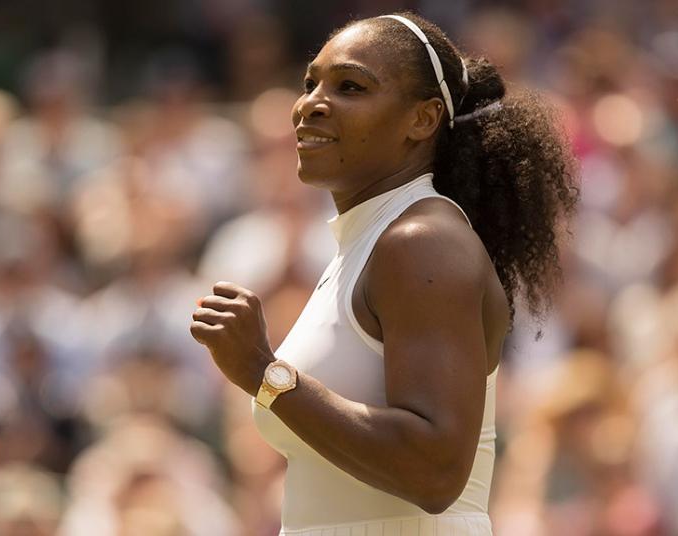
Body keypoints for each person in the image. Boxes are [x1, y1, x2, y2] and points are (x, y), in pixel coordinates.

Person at [190, 11, 578, 535]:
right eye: (310, 83)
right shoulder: (372, 240)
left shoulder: (422, 244)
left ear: (422, 119)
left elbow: (434, 472)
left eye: (349, 86)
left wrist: (264, 372)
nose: (310, 104)